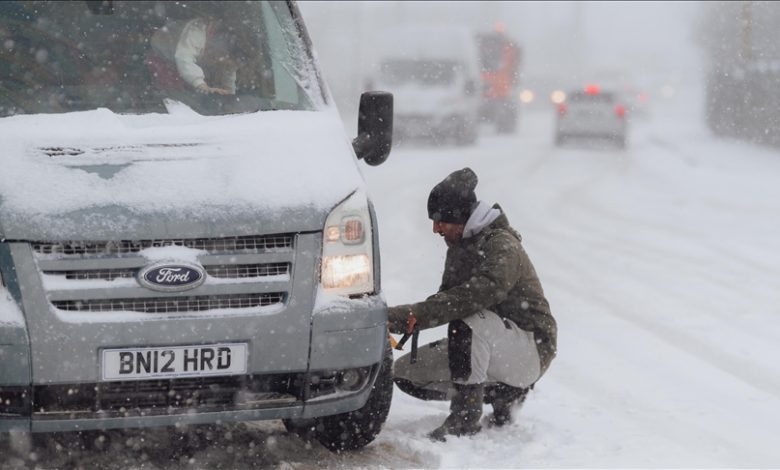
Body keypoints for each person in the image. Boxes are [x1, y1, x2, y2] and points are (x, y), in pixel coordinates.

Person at [387, 167, 557, 441]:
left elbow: (469, 300)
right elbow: (445, 300)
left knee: (466, 318)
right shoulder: (459, 247)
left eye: (439, 221)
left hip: (530, 349)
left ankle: (465, 418)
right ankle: (505, 395)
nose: (435, 229)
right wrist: (402, 322)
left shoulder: (502, 245)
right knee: (407, 373)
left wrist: (407, 314)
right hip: (490, 341)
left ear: (459, 215)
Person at [148, 17, 240, 96]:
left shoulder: (228, 50)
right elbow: (183, 58)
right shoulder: (196, 32)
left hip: (181, 63)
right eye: (222, 59)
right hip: (161, 54)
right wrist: (202, 85)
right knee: (174, 94)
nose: (218, 62)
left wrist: (230, 95)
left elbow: (229, 71)